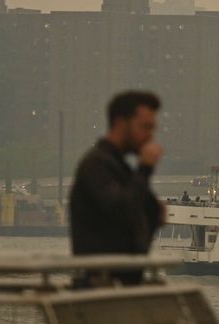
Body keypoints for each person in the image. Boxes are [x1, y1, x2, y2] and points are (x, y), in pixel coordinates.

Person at [69, 90, 164, 288]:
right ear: (121, 123)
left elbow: (138, 221)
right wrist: (145, 169)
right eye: (145, 127)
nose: (149, 136)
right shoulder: (96, 165)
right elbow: (122, 208)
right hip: (99, 288)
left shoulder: (120, 167)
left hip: (121, 285)